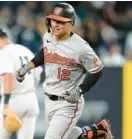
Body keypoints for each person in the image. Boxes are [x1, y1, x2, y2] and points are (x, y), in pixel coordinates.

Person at [16, 3, 114, 139]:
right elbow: (45, 53)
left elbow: (98, 70)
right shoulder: (48, 36)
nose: (55, 24)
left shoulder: (80, 47)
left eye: (61, 22)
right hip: (49, 99)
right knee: (67, 136)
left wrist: (80, 90)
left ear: (71, 23)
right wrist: (27, 67)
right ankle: (97, 131)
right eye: (54, 20)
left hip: (68, 103)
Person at [0, 29, 42, 139]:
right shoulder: (25, 50)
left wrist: (5, 105)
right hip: (31, 100)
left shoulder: (4, 52)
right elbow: (38, 74)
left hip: (13, 100)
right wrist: (30, 89)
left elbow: (8, 76)